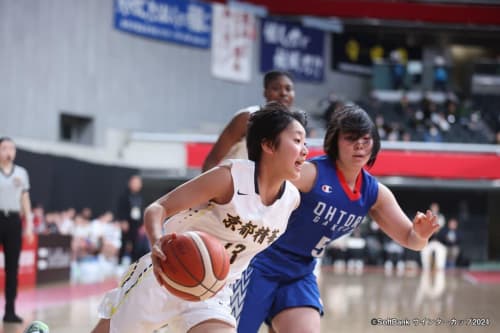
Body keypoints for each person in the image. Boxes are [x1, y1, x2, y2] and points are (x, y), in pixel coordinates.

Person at [91, 103, 308, 333]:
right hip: (165, 277)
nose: (304, 150)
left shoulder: (291, 200)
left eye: (304, 142)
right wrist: (157, 241)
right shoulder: (229, 179)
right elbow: (157, 208)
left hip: (212, 291)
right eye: (296, 141)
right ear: (267, 145)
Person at [234, 105, 440, 333]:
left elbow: (412, 241)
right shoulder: (311, 173)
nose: (359, 144)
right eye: (351, 138)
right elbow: (258, 183)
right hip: (260, 263)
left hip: (300, 272)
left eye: (366, 138)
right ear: (334, 142)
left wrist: (421, 234)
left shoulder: (375, 193)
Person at [202, 70, 295, 172]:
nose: (283, 93)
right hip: (231, 184)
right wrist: (203, 187)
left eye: (288, 89)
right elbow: (213, 159)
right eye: (276, 88)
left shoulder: (291, 126)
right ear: (265, 92)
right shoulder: (246, 118)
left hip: (260, 187)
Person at [0, 137, 34, 323]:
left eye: (11, 148)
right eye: (4, 147)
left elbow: (25, 199)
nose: (8, 151)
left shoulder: (21, 173)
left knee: (12, 269)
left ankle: (10, 311)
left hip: (13, 221)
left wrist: (29, 224)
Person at [116, 174, 147, 264]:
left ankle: (133, 265)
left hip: (137, 224)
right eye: (134, 182)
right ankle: (119, 264)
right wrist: (122, 221)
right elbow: (120, 210)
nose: (136, 185)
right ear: (130, 183)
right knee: (124, 243)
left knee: (136, 245)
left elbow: (143, 211)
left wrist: (143, 225)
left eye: (138, 183)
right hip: (127, 223)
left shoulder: (141, 197)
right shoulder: (124, 196)